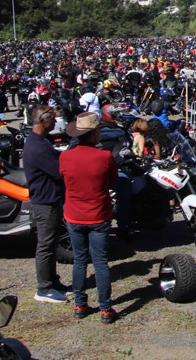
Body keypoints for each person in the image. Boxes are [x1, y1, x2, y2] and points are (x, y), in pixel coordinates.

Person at [59, 112, 119, 324]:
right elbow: (112, 180)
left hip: (74, 214)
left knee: (80, 260)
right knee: (100, 262)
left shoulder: (65, 157)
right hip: (98, 214)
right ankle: (105, 308)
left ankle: (79, 303)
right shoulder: (104, 157)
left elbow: (63, 178)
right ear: (94, 134)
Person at [24, 105, 70, 303]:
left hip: (49, 198)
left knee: (51, 243)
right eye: (52, 119)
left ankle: (52, 281)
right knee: (46, 244)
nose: (55, 122)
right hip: (45, 201)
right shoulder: (39, 147)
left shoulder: (40, 141)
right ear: (43, 121)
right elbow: (58, 171)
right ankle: (44, 288)